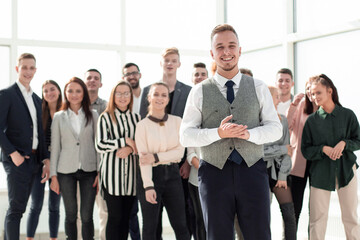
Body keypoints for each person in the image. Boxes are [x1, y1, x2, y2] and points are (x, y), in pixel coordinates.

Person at [180, 24, 282, 240]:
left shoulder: (258, 86)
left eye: (231, 46)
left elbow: (275, 129)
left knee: (259, 234)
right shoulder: (199, 91)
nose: (226, 52)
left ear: (240, 50)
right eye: (220, 47)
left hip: (253, 171)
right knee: (217, 236)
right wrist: (218, 133)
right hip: (213, 174)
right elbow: (185, 135)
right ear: (212, 53)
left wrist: (250, 135)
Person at [139, 47, 193, 239]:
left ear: (179, 64)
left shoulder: (188, 91)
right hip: (151, 169)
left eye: (173, 60)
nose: (170, 63)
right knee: (152, 225)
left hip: (177, 168)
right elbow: (142, 133)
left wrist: (186, 161)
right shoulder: (147, 91)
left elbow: (188, 134)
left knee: (181, 219)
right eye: (166, 60)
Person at [301, 74, 360, 240]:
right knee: (317, 219)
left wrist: (344, 144)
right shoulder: (311, 121)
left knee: (351, 217)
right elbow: (306, 150)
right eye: (312, 94)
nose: (314, 97)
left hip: (347, 171)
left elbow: (358, 140)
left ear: (329, 91)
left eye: (318, 93)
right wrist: (323, 149)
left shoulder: (348, 115)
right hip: (320, 174)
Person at [0, 53, 50, 240]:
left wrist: (46, 159)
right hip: (17, 160)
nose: (28, 71)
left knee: (21, 208)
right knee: (16, 209)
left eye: (31, 68)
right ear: (17, 69)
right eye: (24, 67)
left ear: (35, 70)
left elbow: (40, 134)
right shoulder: (7, 94)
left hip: (35, 161)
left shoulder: (37, 99)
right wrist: (13, 154)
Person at [50, 77, 99, 240]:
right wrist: (53, 176)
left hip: (89, 169)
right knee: (70, 214)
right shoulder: (58, 116)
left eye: (78, 91)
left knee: (86, 216)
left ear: (83, 93)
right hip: (65, 171)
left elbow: (97, 145)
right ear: (65, 93)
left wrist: (100, 172)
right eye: (70, 90)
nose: (74, 94)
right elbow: (55, 147)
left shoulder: (93, 114)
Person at [96, 81, 140, 240]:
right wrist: (124, 141)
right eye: (119, 93)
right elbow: (100, 144)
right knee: (114, 218)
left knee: (126, 219)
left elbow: (140, 144)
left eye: (126, 93)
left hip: (131, 180)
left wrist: (130, 148)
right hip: (111, 179)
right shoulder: (105, 117)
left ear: (131, 96)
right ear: (113, 96)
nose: (122, 97)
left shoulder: (137, 118)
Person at [26, 80, 63, 240]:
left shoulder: (65, 113)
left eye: (52, 89)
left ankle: (53, 238)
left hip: (60, 165)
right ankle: (29, 238)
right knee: (36, 205)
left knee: (54, 206)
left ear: (59, 91)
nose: (49, 93)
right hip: (40, 164)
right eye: (45, 91)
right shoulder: (38, 113)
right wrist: (44, 161)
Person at [265, 86, 296, 240]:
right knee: (263, 217)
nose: (279, 99)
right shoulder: (257, 122)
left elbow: (288, 150)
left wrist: (283, 176)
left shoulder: (282, 120)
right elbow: (259, 153)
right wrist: (281, 149)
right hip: (260, 172)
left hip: (279, 172)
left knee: (289, 214)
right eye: (276, 96)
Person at [286, 80, 318, 227]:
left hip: (318, 163)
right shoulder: (300, 105)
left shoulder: (326, 108)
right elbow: (286, 126)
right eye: (308, 89)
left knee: (316, 208)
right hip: (298, 161)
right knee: (294, 207)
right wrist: (293, 104)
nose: (311, 93)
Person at [84, 68, 107, 240]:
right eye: (89, 78)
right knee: (81, 214)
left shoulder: (107, 107)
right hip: (81, 167)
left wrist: (101, 170)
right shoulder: (76, 105)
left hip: (102, 168)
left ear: (101, 83)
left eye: (96, 78)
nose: (92, 80)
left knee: (104, 211)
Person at [186, 62, 208, 240]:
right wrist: (204, 167)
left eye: (203, 74)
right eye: (196, 74)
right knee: (199, 220)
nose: (200, 77)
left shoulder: (215, 103)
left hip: (220, 176)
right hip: (197, 176)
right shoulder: (189, 107)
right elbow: (190, 151)